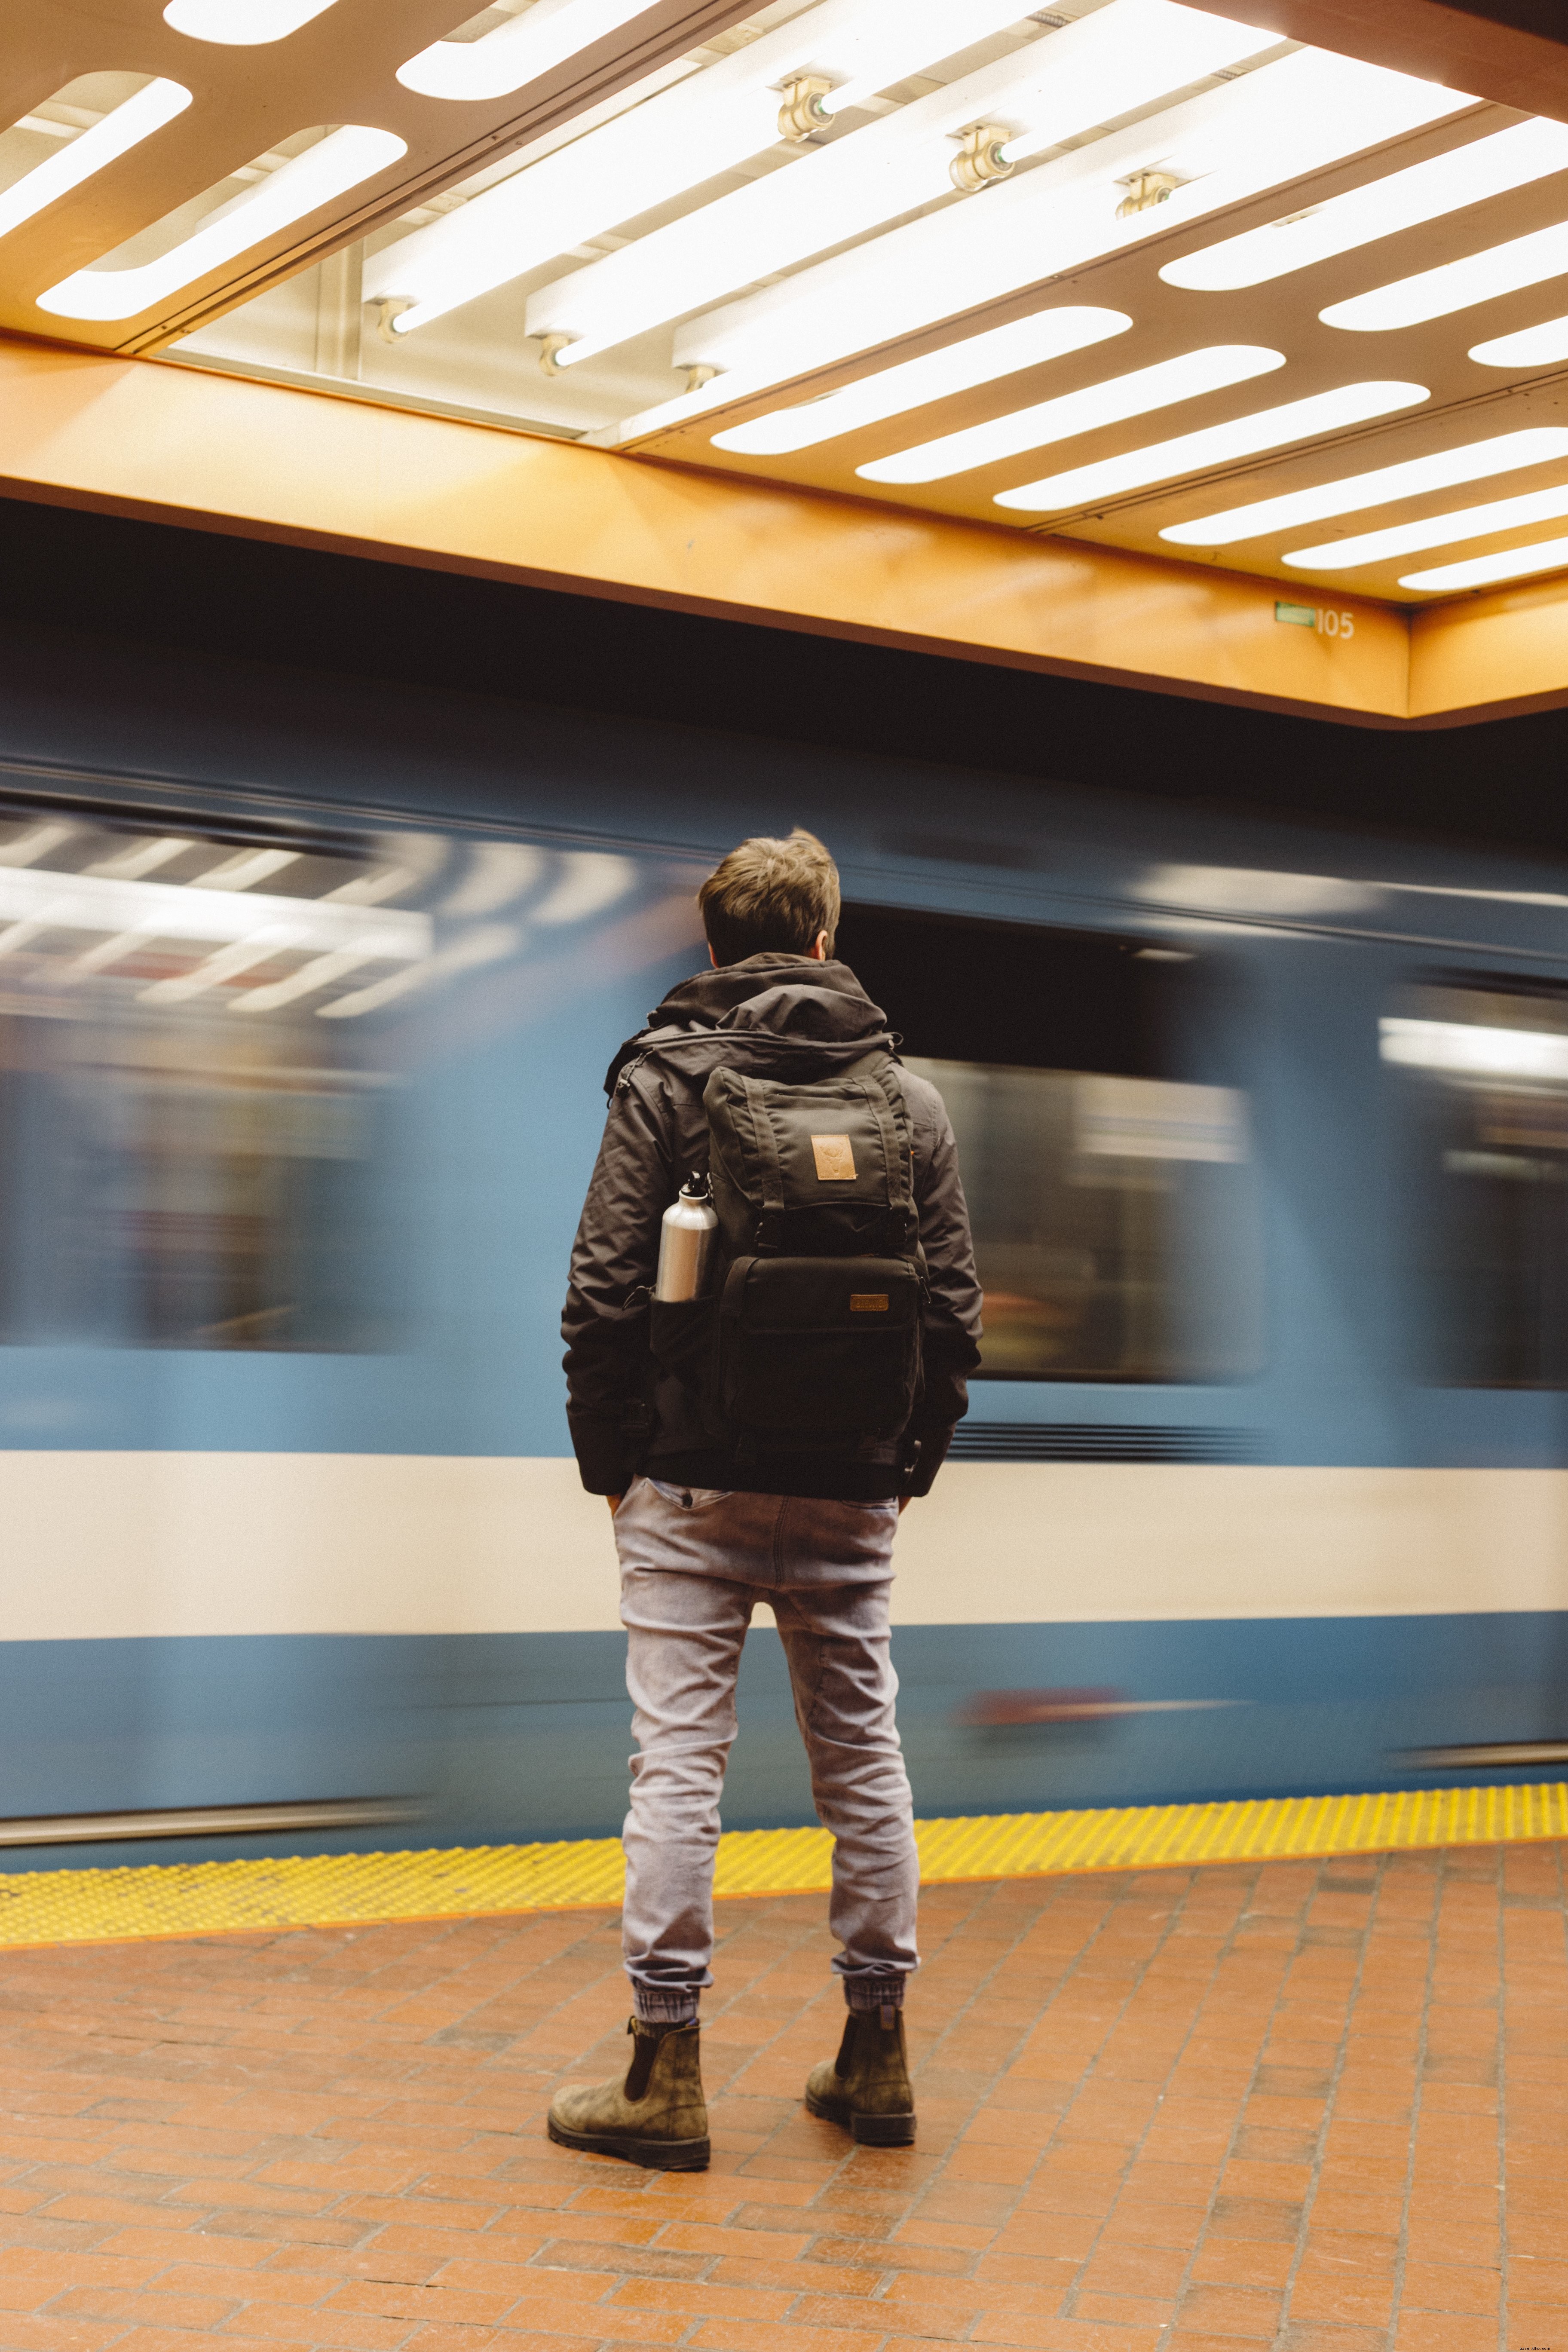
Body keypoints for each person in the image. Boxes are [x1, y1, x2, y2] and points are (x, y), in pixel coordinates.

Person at [549, 827, 982, 2170]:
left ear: (716, 946)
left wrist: (612, 1463)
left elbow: (605, 1291)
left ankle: (666, 2073)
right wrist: (904, 1463)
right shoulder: (910, 1103)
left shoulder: (667, 1076)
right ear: (828, 941)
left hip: (690, 1481)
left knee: (679, 1765)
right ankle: (878, 2055)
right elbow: (955, 1316)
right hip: (851, 1483)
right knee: (863, 1762)